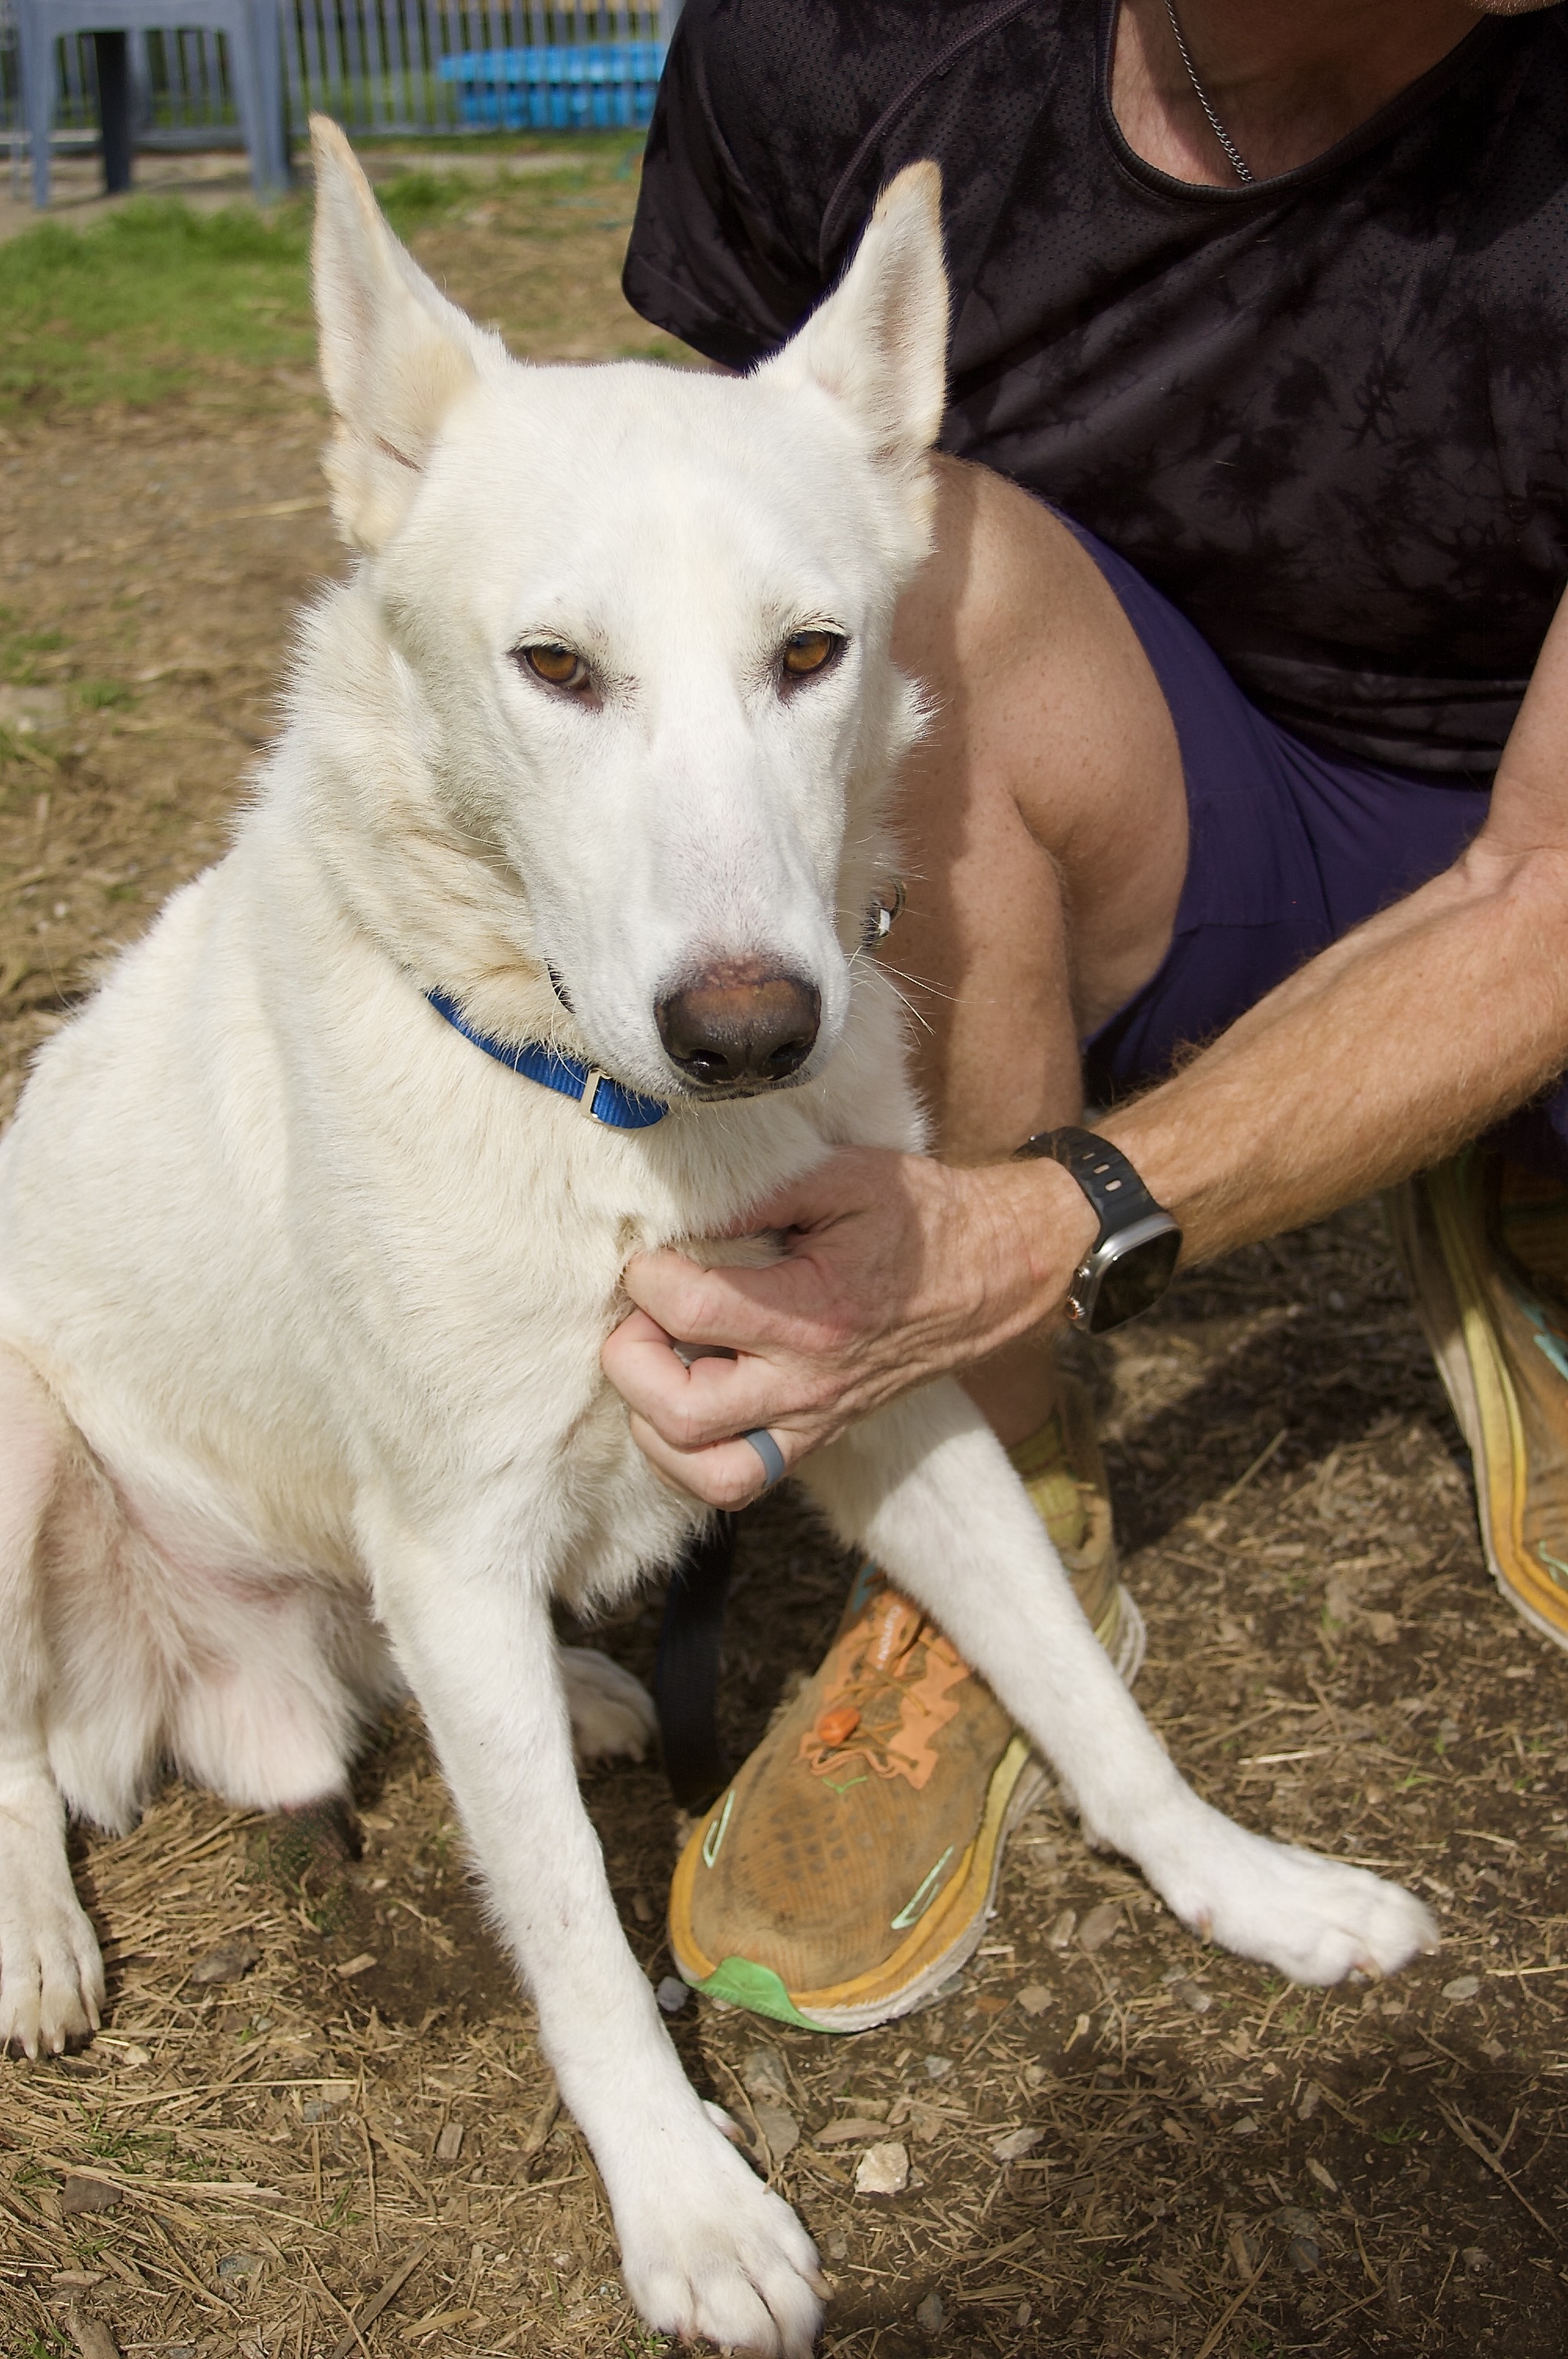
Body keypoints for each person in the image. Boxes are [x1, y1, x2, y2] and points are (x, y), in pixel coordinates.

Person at [604, 0, 1568, 2032]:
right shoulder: (836, 46)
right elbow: (717, 599)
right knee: (898, 582)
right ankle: (1012, 1488)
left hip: (1533, 835)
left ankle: (1509, 1164)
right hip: (1165, 803)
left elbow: (1541, 886)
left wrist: (1047, 1212)